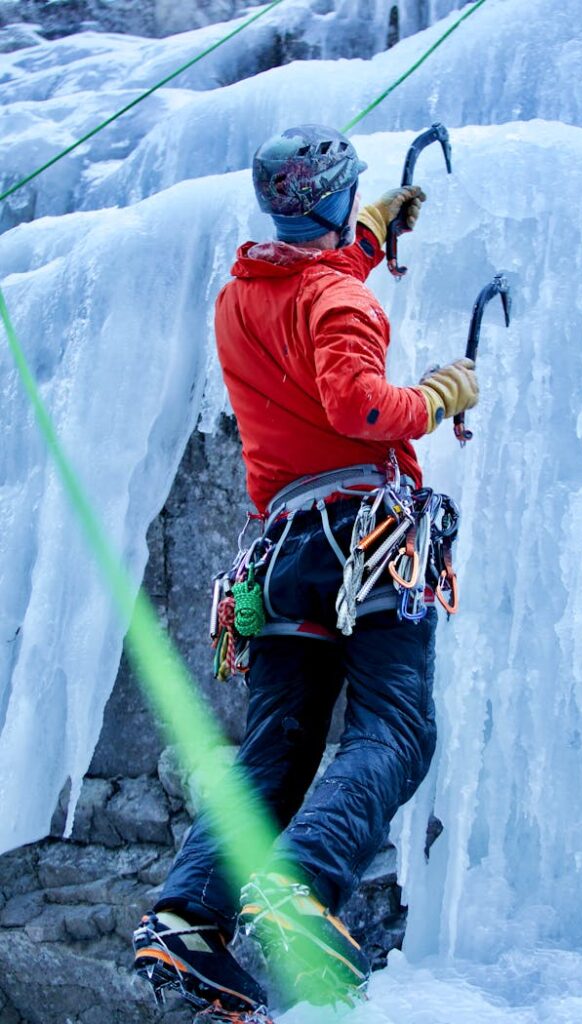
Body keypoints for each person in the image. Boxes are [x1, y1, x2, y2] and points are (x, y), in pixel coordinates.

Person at [133, 125, 478, 1021]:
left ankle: (185, 920)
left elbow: (304, 291)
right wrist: (436, 396)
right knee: (395, 727)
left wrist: (361, 238)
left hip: (282, 552)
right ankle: (300, 885)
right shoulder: (338, 302)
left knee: (276, 749)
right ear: (331, 198)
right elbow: (360, 402)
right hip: (365, 537)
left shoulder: (236, 299)